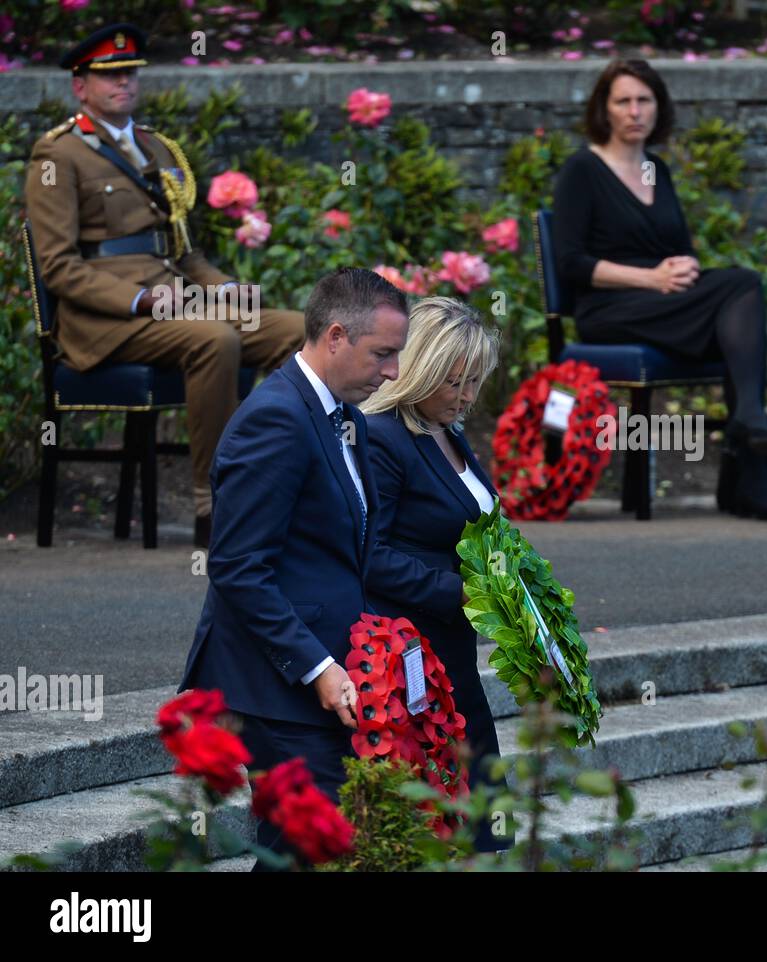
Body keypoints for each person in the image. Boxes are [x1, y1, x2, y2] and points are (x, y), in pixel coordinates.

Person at [24, 23, 305, 546]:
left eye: (129, 73)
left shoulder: (157, 148)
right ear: (79, 87)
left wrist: (225, 291)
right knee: (216, 339)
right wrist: (140, 299)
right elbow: (59, 267)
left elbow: (186, 254)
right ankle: (216, 504)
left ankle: (298, 483)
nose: (123, 84)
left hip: (178, 299)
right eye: (109, 76)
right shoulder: (57, 156)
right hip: (106, 320)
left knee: (296, 331)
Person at [178, 268, 409, 868]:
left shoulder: (346, 418)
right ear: (335, 336)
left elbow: (345, 557)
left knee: (306, 847)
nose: (393, 372)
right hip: (272, 683)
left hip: (322, 679)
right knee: (315, 841)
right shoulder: (275, 417)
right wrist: (318, 669)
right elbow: (236, 566)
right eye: (383, 354)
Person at [551, 59, 767, 472]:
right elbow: (571, 264)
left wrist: (685, 268)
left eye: (644, 100)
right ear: (604, 109)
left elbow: (679, 247)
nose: (635, 111)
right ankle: (749, 423)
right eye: (623, 101)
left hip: (665, 306)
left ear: (658, 107)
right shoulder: (582, 170)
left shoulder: (655, 169)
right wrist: (652, 278)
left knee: (738, 306)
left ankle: (749, 445)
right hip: (609, 309)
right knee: (741, 288)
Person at [360, 296, 512, 852]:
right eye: (455, 382)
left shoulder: (444, 426)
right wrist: (467, 593)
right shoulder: (381, 436)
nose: (468, 396)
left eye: (476, 381)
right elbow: (369, 554)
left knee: (480, 809)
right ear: (420, 366)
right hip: (411, 657)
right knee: (445, 813)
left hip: (453, 650)